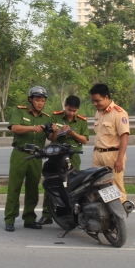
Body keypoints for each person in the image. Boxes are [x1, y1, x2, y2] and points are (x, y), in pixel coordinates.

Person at [4, 86, 56, 232]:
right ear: (30, 100)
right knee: (14, 187)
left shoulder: (46, 117)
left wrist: (56, 131)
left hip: (36, 156)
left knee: (33, 189)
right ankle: (10, 219)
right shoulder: (19, 111)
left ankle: (29, 218)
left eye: (43, 100)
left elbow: (51, 138)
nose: (40, 103)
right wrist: (33, 128)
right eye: (37, 100)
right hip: (20, 154)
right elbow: (14, 128)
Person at [37, 95, 90, 225]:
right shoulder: (56, 116)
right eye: (69, 109)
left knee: (74, 185)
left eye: (74, 110)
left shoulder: (81, 121)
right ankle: (47, 214)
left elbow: (85, 139)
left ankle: (73, 214)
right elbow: (51, 137)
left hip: (73, 155)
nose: (71, 113)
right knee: (51, 183)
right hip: (57, 155)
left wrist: (72, 133)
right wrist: (59, 131)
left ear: (77, 110)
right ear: (65, 106)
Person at [90, 83, 130, 203]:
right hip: (98, 154)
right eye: (93, 101)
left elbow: (124, 136)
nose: (95, 104)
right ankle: (104, 215)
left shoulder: (119, 113)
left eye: (98, 101)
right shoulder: (98, 113)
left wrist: (119, 159)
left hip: (113, 155)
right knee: (97, 185)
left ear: (106, 97)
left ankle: (120, 215)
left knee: (115, 186)